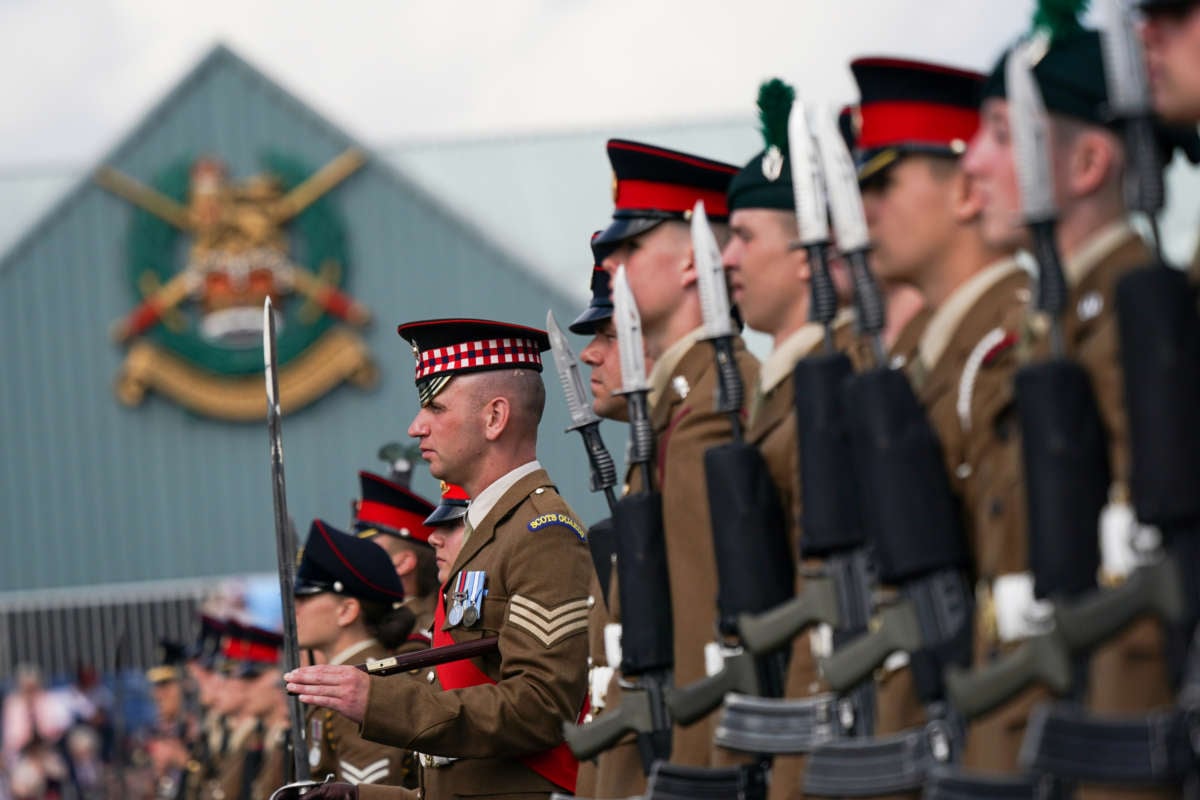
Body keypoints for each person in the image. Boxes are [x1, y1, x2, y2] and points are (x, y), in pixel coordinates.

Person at [966, 16, 1176, 798]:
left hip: (1118, 746)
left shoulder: (1133, 310)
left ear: (1088, 160)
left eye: (998, 135)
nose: (974, 166)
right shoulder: (1054, 324)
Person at [285, 318, 592, 800]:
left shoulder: (541, 532)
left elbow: (540, 709)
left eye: (435, 406)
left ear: (494, 418)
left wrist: (380, 703)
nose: (416, 426)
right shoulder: (492, 534)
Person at [853, 55, 1031, 776]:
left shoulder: (1003, 342)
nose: (864, 212)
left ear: (964, 192)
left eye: (884, 183)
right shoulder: (930, 359)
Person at [592, 138, 760, 776]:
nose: (609, 260)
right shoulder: (674, 409)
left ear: (693, 263)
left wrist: (705, 761)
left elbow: (712, 618)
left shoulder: (718, 399)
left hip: (714, 747)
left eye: (631, 246)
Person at [294, 518, 418, 791]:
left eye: (305, 598)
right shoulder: (346, 676)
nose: (294, 609)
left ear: (347, 611)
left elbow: (366, 792)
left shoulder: (357, 685)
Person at [352, 471, 439, 649]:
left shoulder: (417, 633)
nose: (355, 558)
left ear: (403, 562)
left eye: (367, 549)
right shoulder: (383, 623)